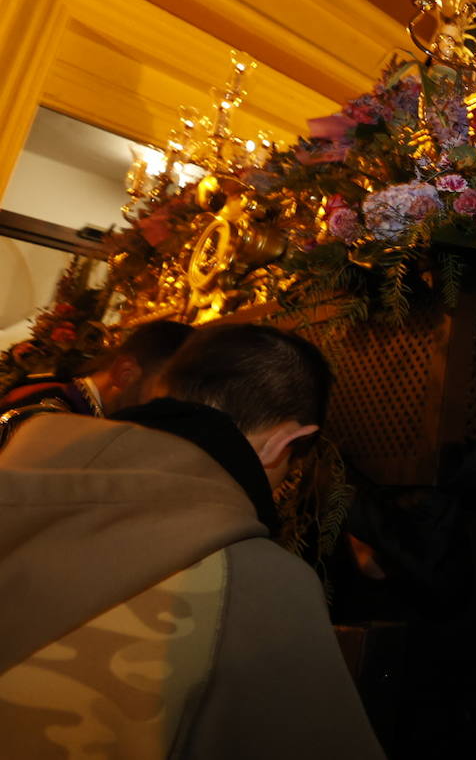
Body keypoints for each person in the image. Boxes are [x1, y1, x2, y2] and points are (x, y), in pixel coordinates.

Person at [0, 323, 386, 759]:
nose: (282, 487)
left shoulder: (20, 463)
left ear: (160, 389)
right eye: (291, 468)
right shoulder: (254, 580)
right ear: (286, 441)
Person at [0, 319, 193, 444]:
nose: (177, 404)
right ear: (126, 372)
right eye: (172, 389)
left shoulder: (81, 410)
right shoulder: (48, 416)